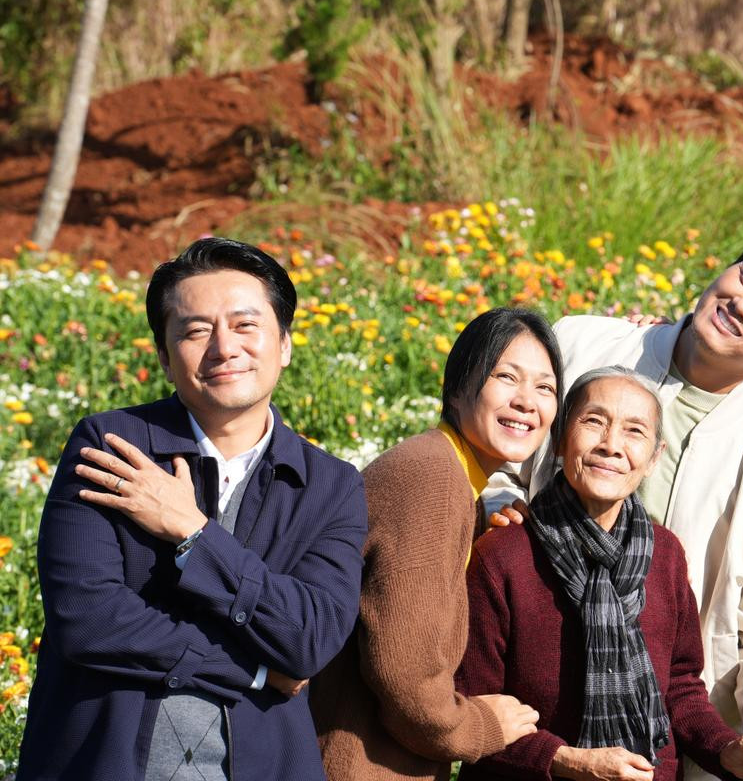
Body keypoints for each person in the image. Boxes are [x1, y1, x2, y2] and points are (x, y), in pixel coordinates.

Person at [487, 229, 743, 780]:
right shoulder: (580, 344)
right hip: (526, 688)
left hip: (663, 737)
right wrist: (497, 498)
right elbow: (493, 445)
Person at [18, 237, 368, 780]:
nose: (224, 347)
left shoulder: (329, 485)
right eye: (195, 330)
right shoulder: (111, 446)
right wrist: (251, 669)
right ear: (163, 354)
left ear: (285, 345)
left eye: (246, 325)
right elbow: (87, 619)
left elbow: (309, 640)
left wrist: (193, 532)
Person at [458, 367, 743, 781]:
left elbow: (679, 687)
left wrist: (727, 751)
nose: (612, 445)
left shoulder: (666, 554)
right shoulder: (504, 555)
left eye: (634, 431)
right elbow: (474, 706)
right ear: (559, 440)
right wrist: (566, 760)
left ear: (654, 457)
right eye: (594, 422)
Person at [310, 307, 564, 781]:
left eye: (545, 387)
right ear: (457, 388)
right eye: (506, 376)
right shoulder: (432, 475)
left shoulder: (451, 478)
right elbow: (404, 673)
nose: (527, 401)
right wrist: (481, 727)